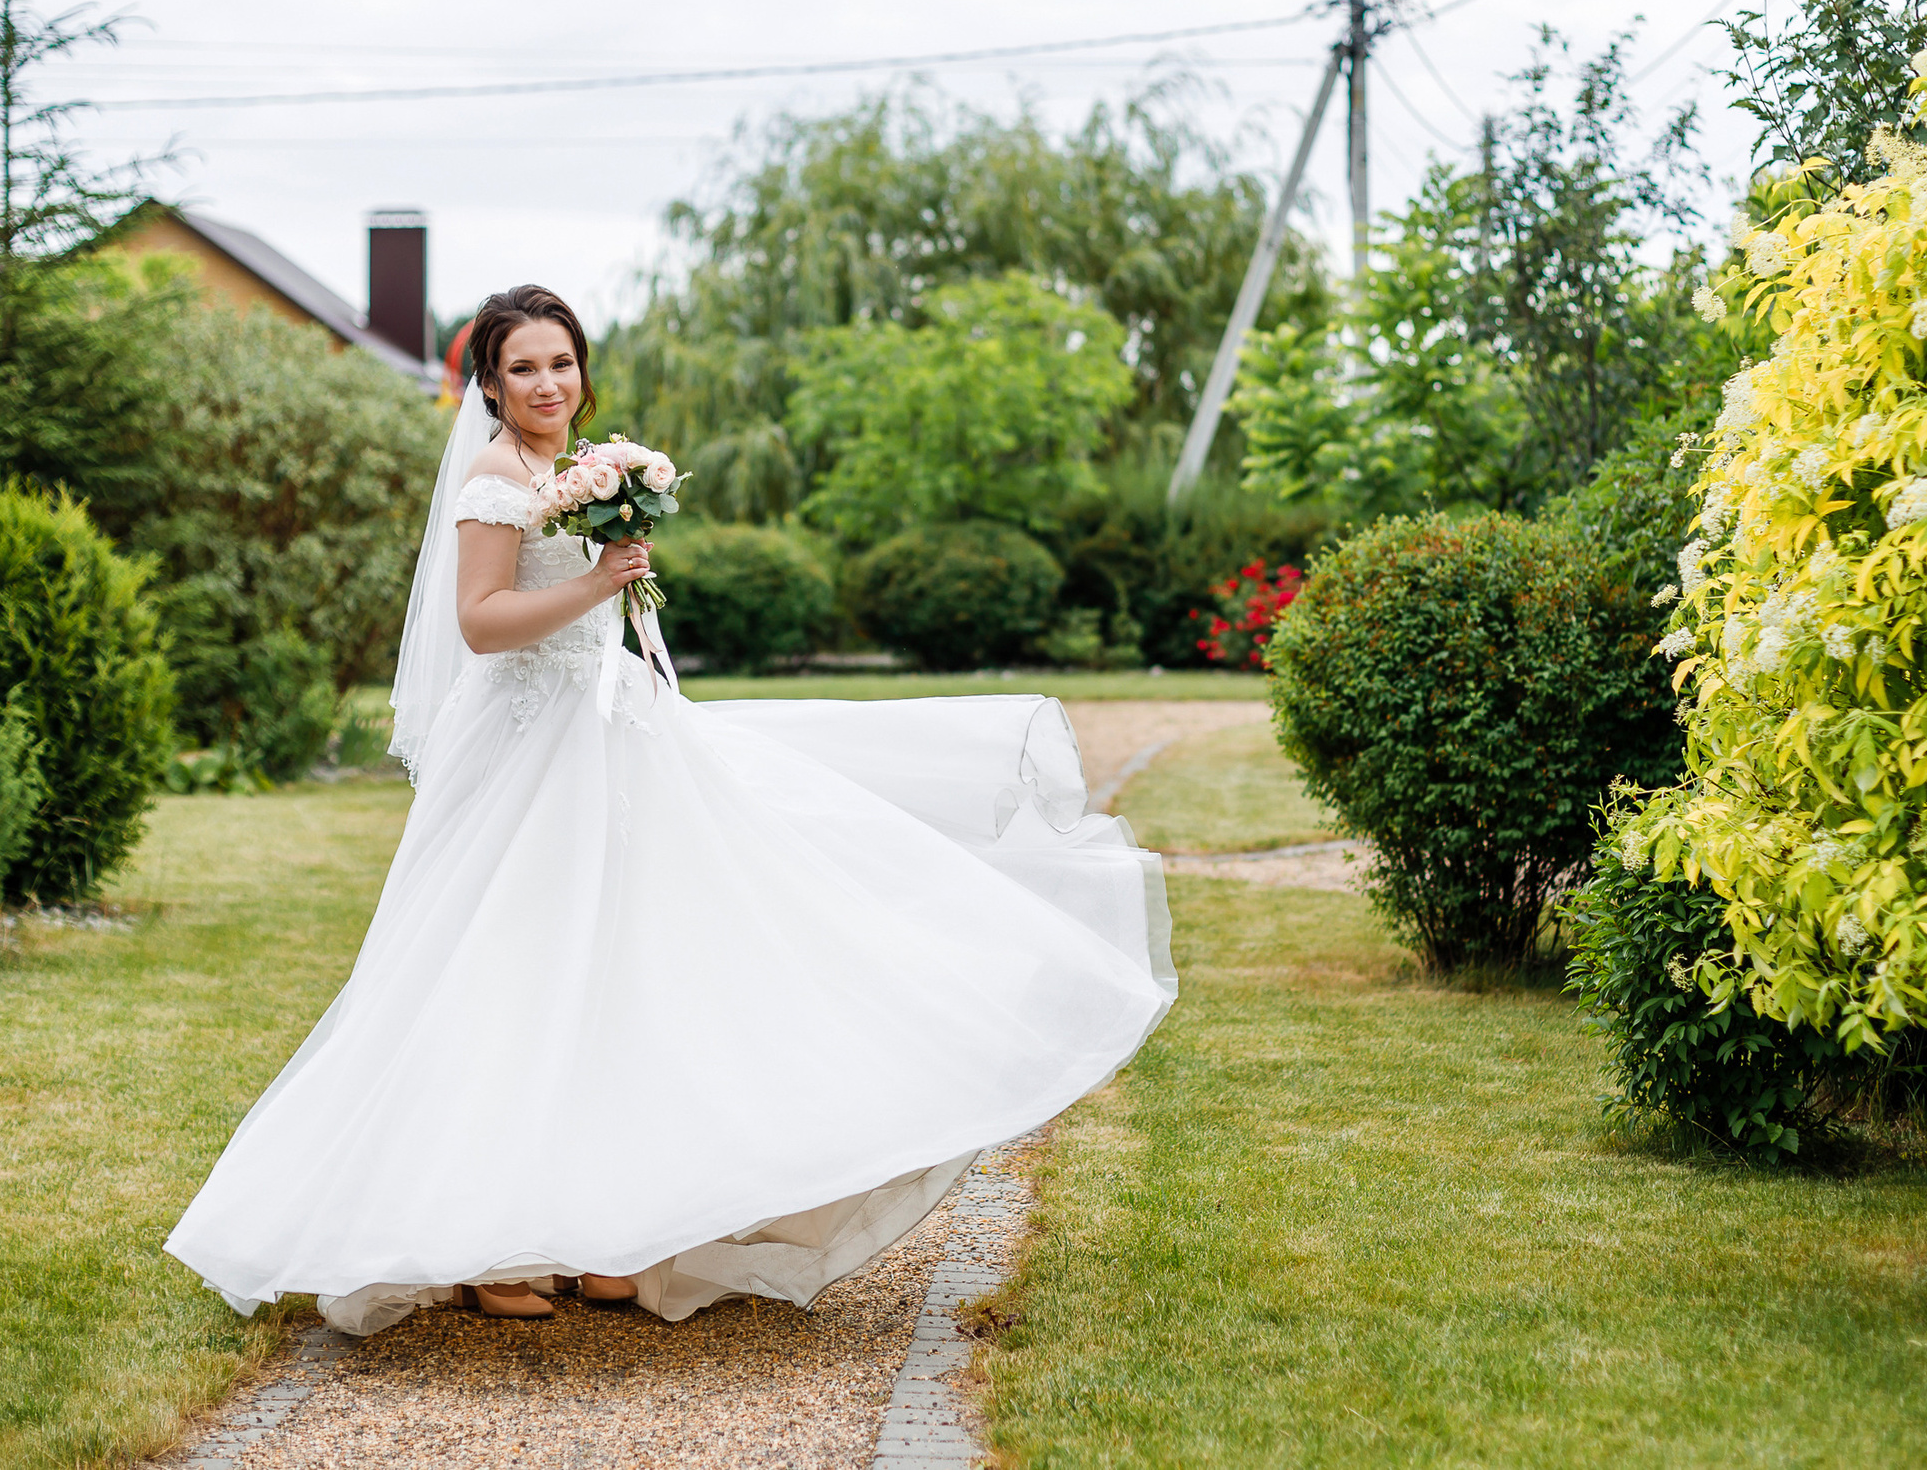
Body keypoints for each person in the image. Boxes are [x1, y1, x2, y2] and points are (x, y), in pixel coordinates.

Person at [164, 284, 1174, 1334]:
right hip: (527, 752)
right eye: (523, 369)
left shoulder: (576, 469)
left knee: (634, 968)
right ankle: (488, 1244)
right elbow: (482, 622)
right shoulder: (494, 480)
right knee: (515, 975)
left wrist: (617, 591)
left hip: (614, 731)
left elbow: (591, 609)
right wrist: (600, 583)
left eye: (562, 363)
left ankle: (614, 1233)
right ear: (491, 385)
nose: (547, 384)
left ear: (582, 370)